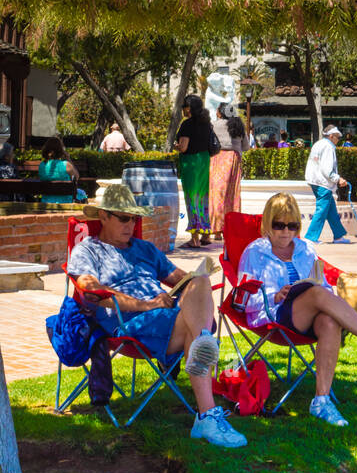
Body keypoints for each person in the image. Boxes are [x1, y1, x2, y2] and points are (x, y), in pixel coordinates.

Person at [68, 182, 247, 449]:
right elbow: (91, 290)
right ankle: (206, 407)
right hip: (129, 323)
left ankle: (202, 357)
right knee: (198, 327)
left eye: (135, 218)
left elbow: (180, 279)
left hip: (167, 317)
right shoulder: (88, 250)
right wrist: (147, 305)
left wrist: (199, 279)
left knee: (198, 282)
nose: (131, 224)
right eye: (124, 218)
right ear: (103, 216)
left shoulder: (145, 249)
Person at [237, 192, 357, 426]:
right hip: (273, 315)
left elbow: (325, 287)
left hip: (306, 313)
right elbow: (243, 297)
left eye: (292, 225)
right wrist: (274, 295)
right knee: (317, 293)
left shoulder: (305, 249)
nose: (286, 232)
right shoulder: (254, 252)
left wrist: (321, 295)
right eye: (279, 225)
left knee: (329, 320)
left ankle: (321, 400)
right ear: (268, 223)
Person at [175, 94, 213, 248]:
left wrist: (175, 146)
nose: (183, 109)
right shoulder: (206, 123)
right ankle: (206, 235)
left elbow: (183, 147)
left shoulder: (187, 124)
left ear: (189, 108)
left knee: (192, 197)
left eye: (184, 106)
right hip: (204, 160)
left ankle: (195, 238)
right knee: (203, 197)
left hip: (191, 162)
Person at [304, 125, 351, 244]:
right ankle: (311, 237)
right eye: (337, 137)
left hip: (315, 180)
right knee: (322, 210)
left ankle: (338, 236)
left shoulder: (318, 144)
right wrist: (337, 179)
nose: (338, 140)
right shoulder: (329, 147)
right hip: (323, 182)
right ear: (331, 136)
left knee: (331, 210)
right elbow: (326, 168)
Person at [209, 102, 245, 239]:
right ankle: (231, 228)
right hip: (234, 160)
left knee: (217, 194)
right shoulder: (238, 125)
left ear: (220, 113)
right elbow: (246, 146)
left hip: (217, 158)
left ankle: (217, 230)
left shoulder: (214, 125)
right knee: (232, 195)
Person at [39, 136, 87, 204]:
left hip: (46, 202)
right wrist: (68, 158)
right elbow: (77, 177)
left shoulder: (42, 165)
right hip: (65, 202)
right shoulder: (66, 165)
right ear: (60, 150)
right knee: (82, 193)